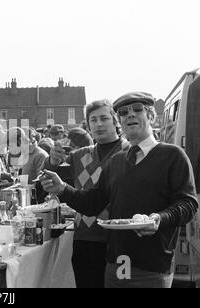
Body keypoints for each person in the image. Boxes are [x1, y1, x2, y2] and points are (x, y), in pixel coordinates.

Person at [41, 92, 198, 288]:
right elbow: (92, 203)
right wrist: (63, 189)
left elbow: (188, 203)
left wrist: (159, 218)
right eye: (123, 112)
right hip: (116, 262)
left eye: (138, 109)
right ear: (120, 122)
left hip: (151, 264)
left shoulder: (173, 155)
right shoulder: (117, 161)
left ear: (151, 116)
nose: (130, 114)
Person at [42, 99, 128, 288]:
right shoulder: (78, 155)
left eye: (104, 118)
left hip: (120, 239)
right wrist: (52, 161)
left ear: (116, 121)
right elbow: (49, 178)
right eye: (93, 120)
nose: (98, 124)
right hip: (85, 238)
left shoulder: (129, 152)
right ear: (88, 125)